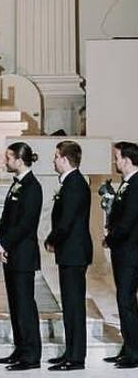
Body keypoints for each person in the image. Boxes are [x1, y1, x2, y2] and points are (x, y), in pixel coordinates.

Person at [0, 142, 43, 371]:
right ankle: (20, 348)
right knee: (15, 304)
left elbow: (25, 224)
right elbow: (8, 217)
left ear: (19, 160)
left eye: (8, 157)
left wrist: (4, 242)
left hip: (23, 254)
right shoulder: (17, 184)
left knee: (25, 305)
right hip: (11, 253)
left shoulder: (33, 187)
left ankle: (31, 354)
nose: (5, 162)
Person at [44, 140, 92, 372]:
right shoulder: (71, 183)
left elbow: (66, 221)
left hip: (74, 253)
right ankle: (70, 352)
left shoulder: (74, 184)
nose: (53, 160)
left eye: (55, 156)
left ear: (64, 159)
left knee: (74, 306)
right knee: (70, 305)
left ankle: (76, 357)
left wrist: (52, 239)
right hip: (71, 253)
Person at [103, 141, 138, 368]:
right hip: (124, 252)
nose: (115, 162)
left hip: (130, 253)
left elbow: (128, 222)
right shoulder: (127, 183)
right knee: (126, 302)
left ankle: (134, 353)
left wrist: (110, 237)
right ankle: (128, 347)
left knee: (126, 302)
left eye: (117, 157)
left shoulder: (135, 184)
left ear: (126, 160)